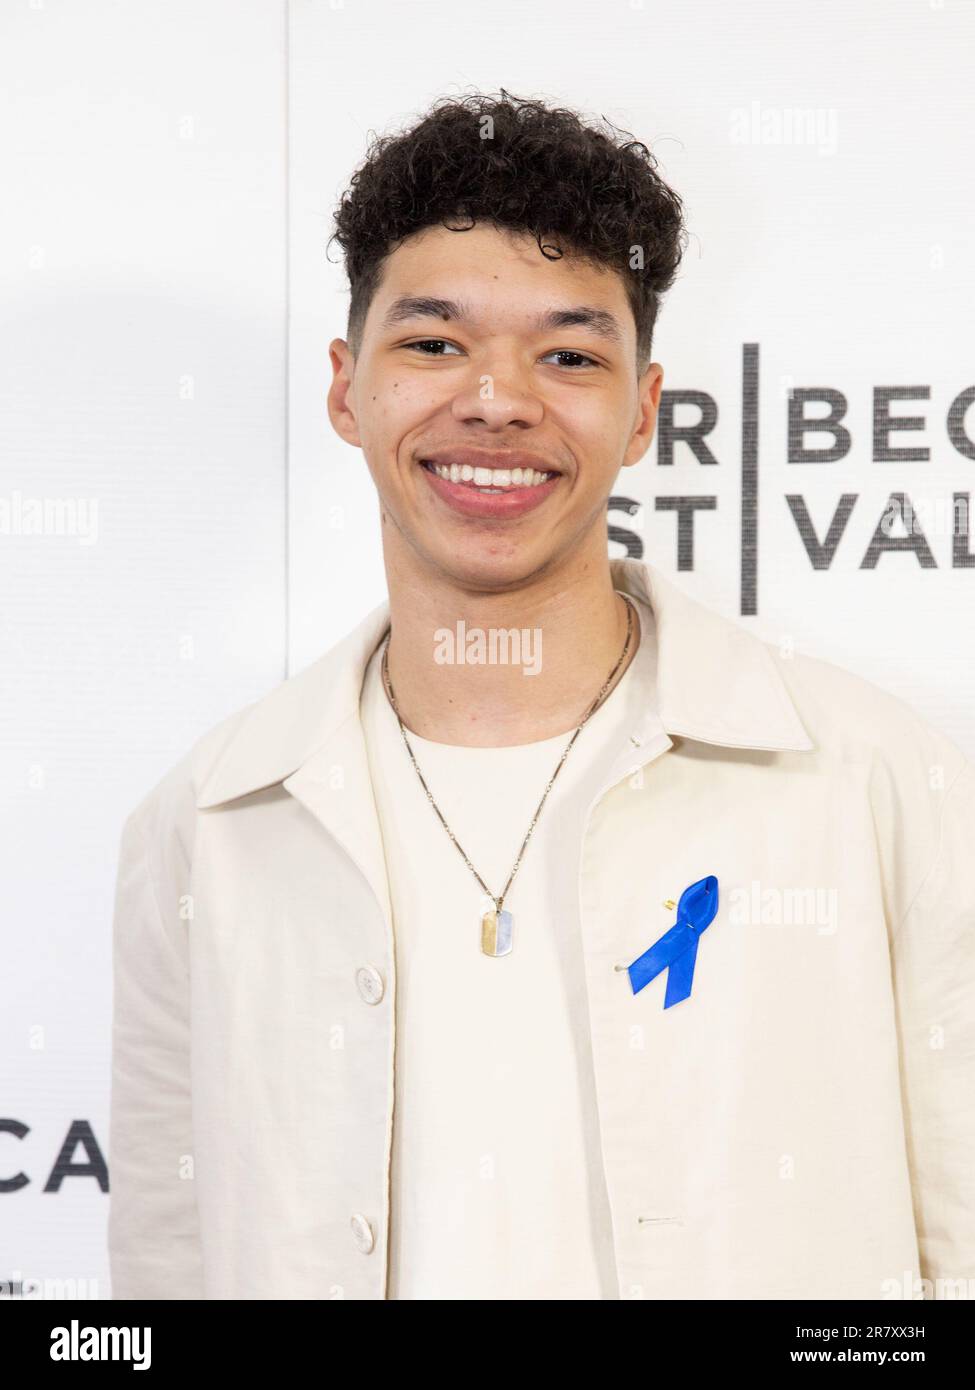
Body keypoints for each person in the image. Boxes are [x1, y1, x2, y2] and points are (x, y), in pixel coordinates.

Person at [108, 90, 975, 1301]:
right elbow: (166, 1267)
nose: (497, 400)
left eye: (568, 354)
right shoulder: (206, 822)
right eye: (434, 343)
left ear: (642, 409)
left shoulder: (876, 779)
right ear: (348, 390)